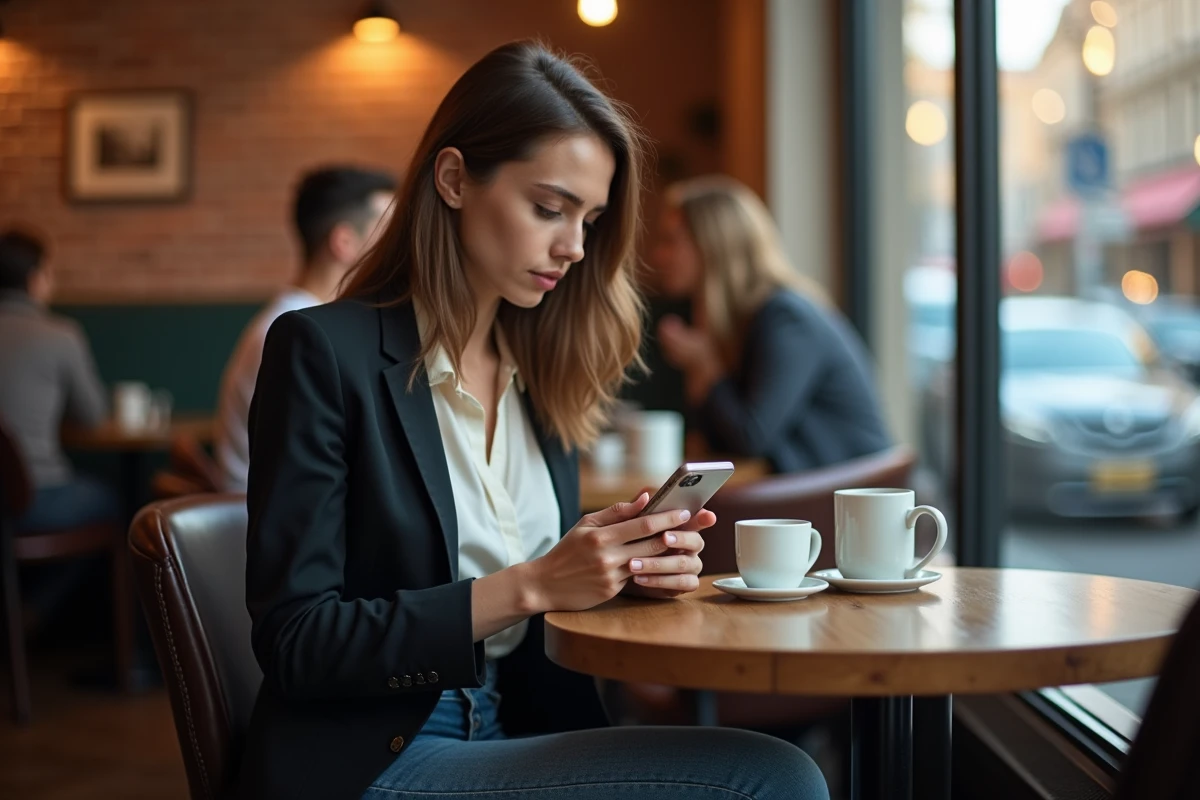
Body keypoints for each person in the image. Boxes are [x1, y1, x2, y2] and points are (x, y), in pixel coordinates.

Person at [239, 41, 829, 800]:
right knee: (775, 778)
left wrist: (616, 575)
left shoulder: (542, 371)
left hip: (513, 724)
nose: (574, 247)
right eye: (548, 208)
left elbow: (533, 604)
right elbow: (298, 644)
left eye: (590, 219)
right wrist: (534, 584)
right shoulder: (323, 351)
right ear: (453, 179)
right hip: (377, 754)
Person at [650, 175, 891, 473]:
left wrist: (704, 366)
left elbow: (751, 439)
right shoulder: (735, 319)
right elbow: (716, 441)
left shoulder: (786, 318)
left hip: (852, 497)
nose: (658, 256)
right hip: (812, 489)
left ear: (714, 245)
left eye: (671, 241)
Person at [213, 166, 396, 492]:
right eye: (389, 234)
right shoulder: (296, 335)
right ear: (344, 242)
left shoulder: (306, 322)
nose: (399, 249)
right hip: (260, 527)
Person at [0, 229, 116, 532]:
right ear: (35, 278)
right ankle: (48, 583)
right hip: (38, 493)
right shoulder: (60, 335)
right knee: (116, 501)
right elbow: (93, 416)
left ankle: (21, 582)